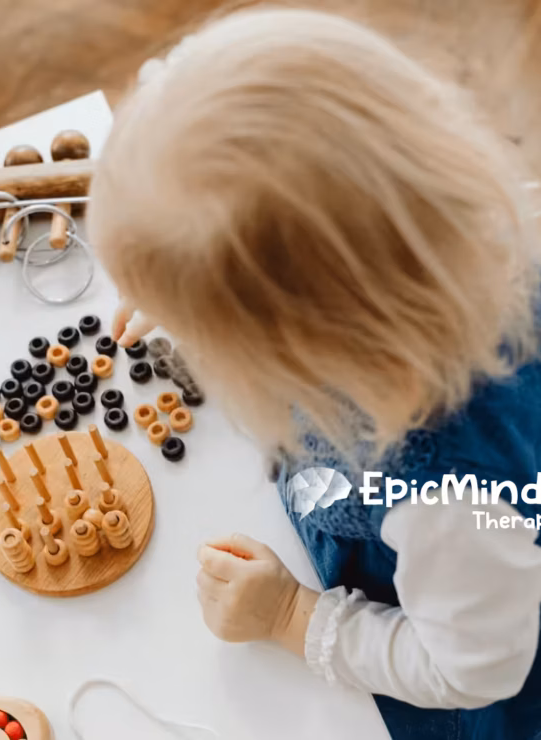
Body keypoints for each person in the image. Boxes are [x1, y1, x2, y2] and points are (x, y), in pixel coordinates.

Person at [86, 8, 541, 739]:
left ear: (302, 351)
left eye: (216, 337)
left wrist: (293, 617)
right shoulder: (444, 223)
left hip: (447, 637)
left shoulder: (451, 502)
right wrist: (197, 282)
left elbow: (475, 668)